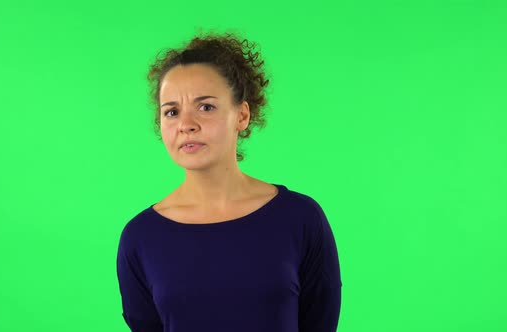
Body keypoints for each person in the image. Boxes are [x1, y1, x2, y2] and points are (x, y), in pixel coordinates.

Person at [116, 28, 343, 332]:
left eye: (206, 107)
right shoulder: (139, 239)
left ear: (242, 115)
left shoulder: (301, 219)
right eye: (171, 111)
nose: (186, 124)